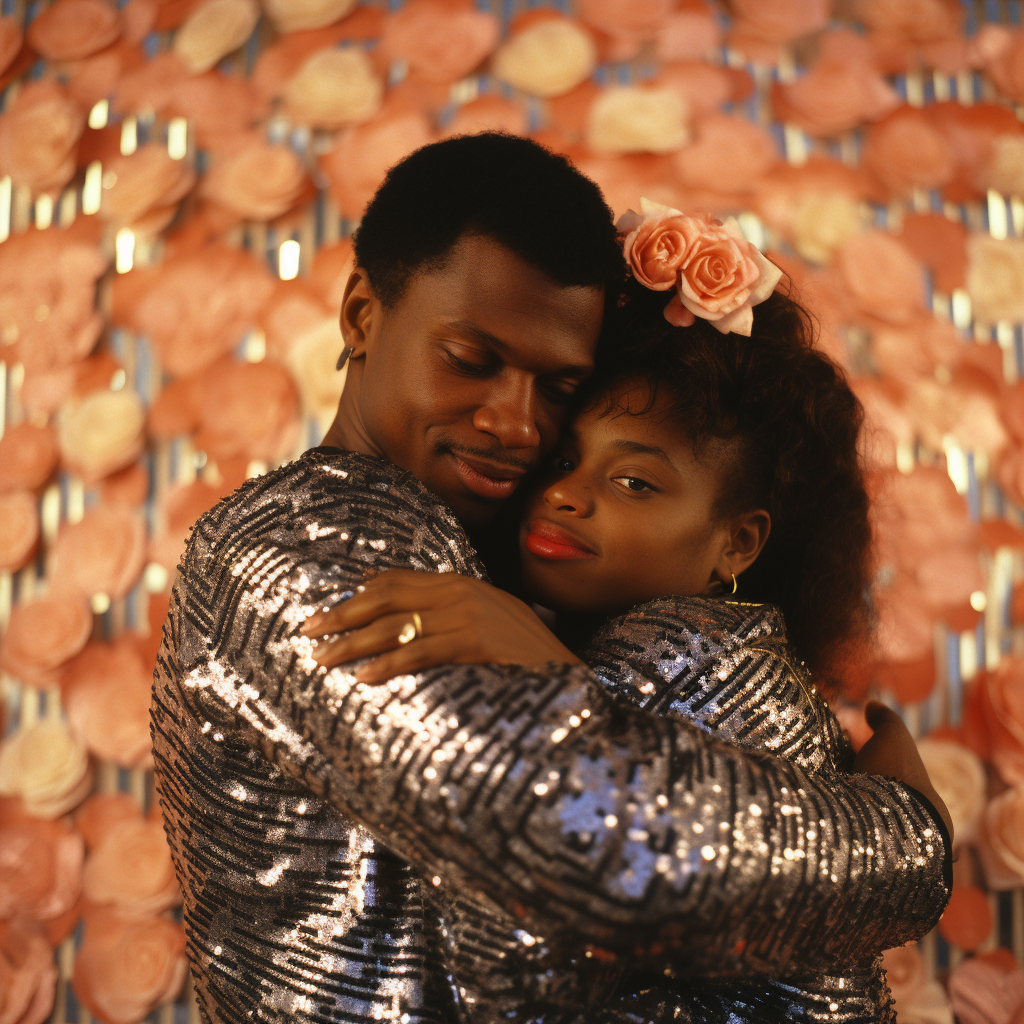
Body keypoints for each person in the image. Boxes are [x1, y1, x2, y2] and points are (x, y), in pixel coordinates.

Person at [152, 142, 950, 1024]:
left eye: (558, 385)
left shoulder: (509, 569)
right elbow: (588, 853)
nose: (516, 424)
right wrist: (908, 833)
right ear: (361, 316)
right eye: (471, 358)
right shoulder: (321, 538)